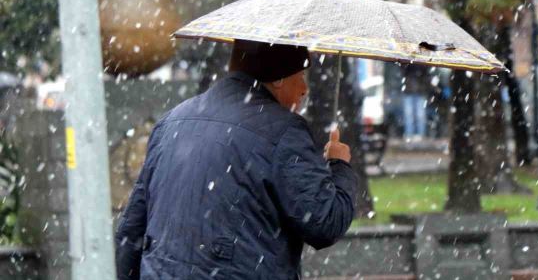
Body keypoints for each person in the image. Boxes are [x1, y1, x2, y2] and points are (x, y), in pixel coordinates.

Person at [115, 40, 357, 280]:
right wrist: (338, 166)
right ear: (278, 79)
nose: (304, 89)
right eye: (301, 76)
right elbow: (324, 223)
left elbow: (132, 230)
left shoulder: (173, 121)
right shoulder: (284, 132)